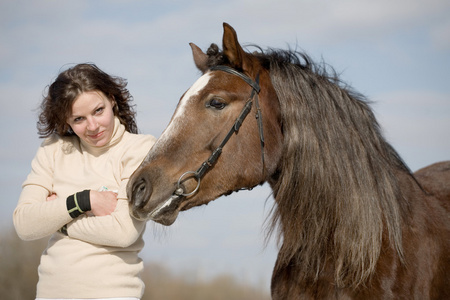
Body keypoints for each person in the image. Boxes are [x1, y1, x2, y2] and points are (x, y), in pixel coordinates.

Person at [13, 63, 156, 300]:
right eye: (79, 118)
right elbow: (24, 224)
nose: (92, 126)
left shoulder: (139, 149)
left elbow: (122, 232)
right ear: (65, 120)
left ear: (112, 100)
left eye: (98, 111)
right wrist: (83, 201)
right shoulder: (53, 150)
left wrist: (57, 219)